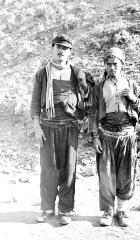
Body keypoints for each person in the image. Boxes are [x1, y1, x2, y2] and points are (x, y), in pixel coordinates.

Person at [31, 34, 88, 225]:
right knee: (48, 169)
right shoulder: (42, 74)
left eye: (65, 48)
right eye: (58, 47)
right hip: (48, 127)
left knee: (68, 170)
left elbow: (88, 95)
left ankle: (65, 210)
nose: (61, 51)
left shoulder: (75, 72)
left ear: (70, 52)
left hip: (70, 128)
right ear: (52, 48)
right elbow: (34, 104)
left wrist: (83, 116)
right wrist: (37, 128)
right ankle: (47, 208)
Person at [89, 47, 140, 227]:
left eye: (115, 64)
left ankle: (122, 210)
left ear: (122, 65)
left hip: (127, 136)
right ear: (105, 66)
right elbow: (93, 113)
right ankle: (107, 211)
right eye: (109, 64)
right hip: (107, 136)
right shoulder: (98, 88)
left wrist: (133, 98)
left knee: (126, 174)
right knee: (106, 175)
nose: (112, 67)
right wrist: (95, 137)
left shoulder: (132, 84)